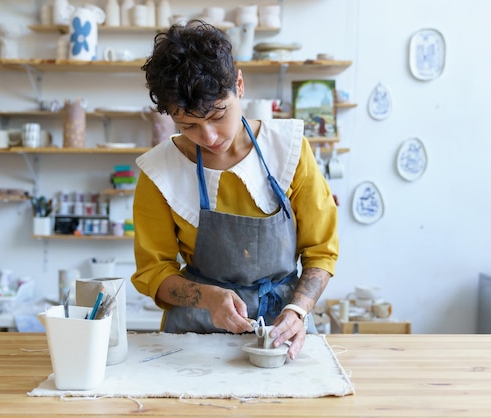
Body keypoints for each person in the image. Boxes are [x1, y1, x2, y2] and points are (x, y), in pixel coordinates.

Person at [131, 21, 338, 360]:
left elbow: (321, 250)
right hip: (193, 332)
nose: (209, 137)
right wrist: (208, 298)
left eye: (217, 115)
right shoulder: (159, 171)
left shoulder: (288, 150)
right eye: (188, 126)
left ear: (239, 85)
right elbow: (153, 272)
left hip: (282, 326)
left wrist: (298, 310)